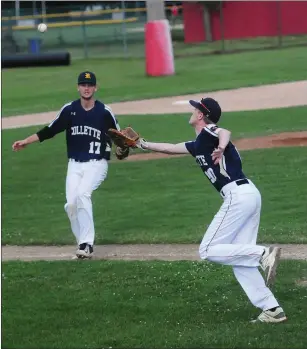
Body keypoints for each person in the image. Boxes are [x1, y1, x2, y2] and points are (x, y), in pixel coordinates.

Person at [135, 97, 287, 323]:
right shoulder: (199, 144)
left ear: (200, 115)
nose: (192, 110)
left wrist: (221, 148)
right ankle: (272, 309)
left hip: (238, 196)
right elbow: (169, 148)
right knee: (239, 258)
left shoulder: (209, 133)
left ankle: (263, 254)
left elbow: (224, 131)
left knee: (207, 249)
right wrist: (141, 143)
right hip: (249, 194)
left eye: (195, 108)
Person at [12, 71, 129, 259]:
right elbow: (50, 130)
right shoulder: (69, 109)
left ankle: (87, 244)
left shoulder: (104, 112)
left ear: (95, 88)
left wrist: (123, 147)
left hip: (96, 163)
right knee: (71, 205)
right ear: (78, 87)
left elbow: (119, 135)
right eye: (83, 84)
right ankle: (82, 244)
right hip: (74, 165)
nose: (87, 88)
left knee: (83, 194)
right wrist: (27, 141)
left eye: (90, 85)